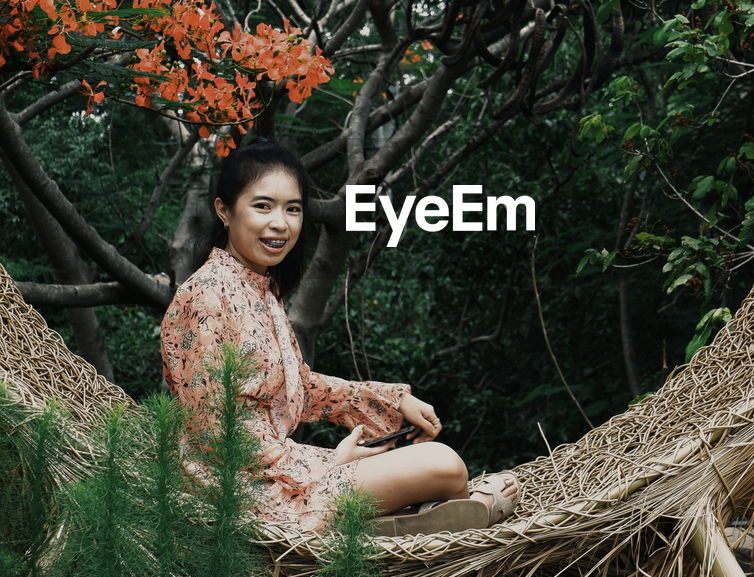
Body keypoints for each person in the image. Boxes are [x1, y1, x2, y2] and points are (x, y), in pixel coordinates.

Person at [160, 139, 519, 534]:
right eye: (263, 206)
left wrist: (395, 403)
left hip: (279, 474)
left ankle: (388, 522)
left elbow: (300, 386)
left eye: (292, 209)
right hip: (242, 495)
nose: (280, 223)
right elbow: (216, 433)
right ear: (224, 211)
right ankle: (386, 521)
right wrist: (332, 461)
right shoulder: (207, 294)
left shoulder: (260, 290)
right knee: (446, 466)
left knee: (443, 465)